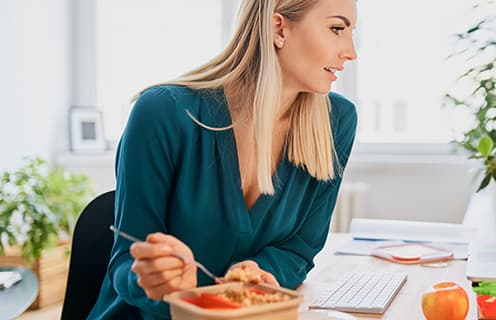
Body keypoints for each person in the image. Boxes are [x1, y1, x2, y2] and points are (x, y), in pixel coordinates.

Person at [88, 0, 357, 318]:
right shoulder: (162, 113)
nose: (351, 52)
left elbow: (299, 248)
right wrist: (162, 280)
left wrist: (261, 271)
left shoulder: (335, 121)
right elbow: (125, 264)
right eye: (336, 29)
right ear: (278, 28)